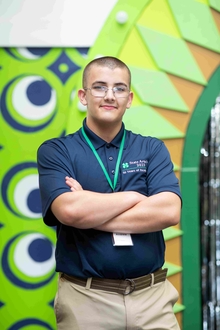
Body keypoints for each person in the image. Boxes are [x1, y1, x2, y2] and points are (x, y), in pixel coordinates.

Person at [37, 56, 182, 330]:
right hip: (86, 299)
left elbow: (169, 211)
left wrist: (89, 210)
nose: (110, 96)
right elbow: (69, 211)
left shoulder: (152, 149)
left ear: (129, 98)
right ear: (84, 95)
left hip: (151, 297)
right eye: (100, 87)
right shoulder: (57, 151)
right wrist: (135, 198)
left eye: (119, 88)